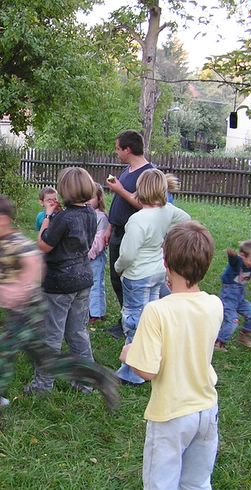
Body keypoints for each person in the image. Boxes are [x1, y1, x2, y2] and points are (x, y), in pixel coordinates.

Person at [0, 195, 120, 429]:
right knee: (47, 362)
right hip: (16, 313)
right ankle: (99, 376)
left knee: (0, 356)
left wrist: (20, 288)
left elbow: (35, 264)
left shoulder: (17, 243)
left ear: (2, 220)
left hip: (27, 312)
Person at [120, 221, 224, 490]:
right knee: (197, 481)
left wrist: (129, 353)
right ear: (206, 264)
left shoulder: (157, 311)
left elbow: (147, 370)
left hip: (170, 416)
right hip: (206, 410)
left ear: (166, 263)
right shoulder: (214, 304)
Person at [25, 167, 98, 395]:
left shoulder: (64, 218)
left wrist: (48, 216)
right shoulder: (90, 213)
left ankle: (43, 384)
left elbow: (43, 244)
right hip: (83, 279)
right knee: (77, 332)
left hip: (59, 283)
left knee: (51, 334)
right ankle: (86, 382)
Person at [114, 169, 190, 385]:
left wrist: (118, 267)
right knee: (153, 318)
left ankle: (132, 373)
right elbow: (186, 219)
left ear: (140, 189)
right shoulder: (167, 211)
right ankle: (155, 361)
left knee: (135, 322)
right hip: (158, 272)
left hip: (137, 276)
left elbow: (128, 255)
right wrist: (165, 237)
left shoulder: (137, 220)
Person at [103, 130, 154, 338]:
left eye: (118, 148)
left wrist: (120, 190)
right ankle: (126, 318)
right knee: (116, 278)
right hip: (117, 230)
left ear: (128, 149)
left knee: (129, 280)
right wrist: (109, 228)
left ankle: (135, 322)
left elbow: (145, 204)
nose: (116, 152)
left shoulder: (148, 174)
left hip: (131, 234)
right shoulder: (127, 170)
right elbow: (119, 203)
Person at [88, 183, 109, 322]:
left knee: (96, 284)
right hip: (85, 256)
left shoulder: (101, 217)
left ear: (99, 198)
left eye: (91, 197)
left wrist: (89, 254)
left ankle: (97, 313)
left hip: (95, 257)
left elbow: (99, 241)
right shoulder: (84, 215)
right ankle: (89, 310)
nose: (87, 201)